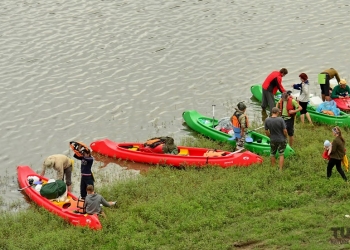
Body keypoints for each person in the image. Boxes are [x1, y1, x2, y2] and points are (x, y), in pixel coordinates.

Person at [264, 107, 288, 171]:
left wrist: (270, 136)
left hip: (273, 139)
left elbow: (266, 131)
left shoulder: (267, 120)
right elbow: (285, 130)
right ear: (277, 112)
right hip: (281, 139)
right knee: (281, 154)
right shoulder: (280, 119)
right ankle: (280, 169)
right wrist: (286, 136)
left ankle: (273, 168)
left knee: (272, 153)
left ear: (272, 112)